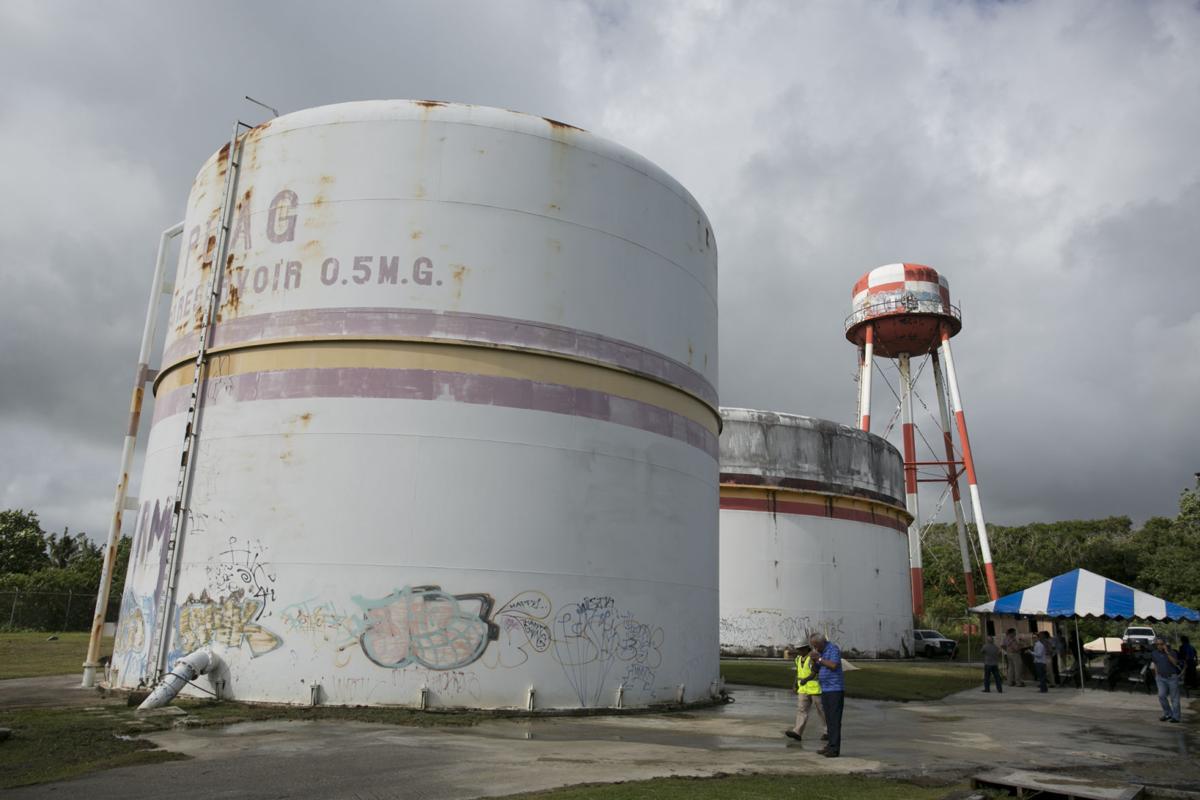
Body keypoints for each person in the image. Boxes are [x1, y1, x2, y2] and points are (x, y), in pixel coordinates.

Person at [809, 632, 844, 758]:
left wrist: (819, 658)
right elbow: (817, 668)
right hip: (826, 689)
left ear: (821, 643)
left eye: (815, 645)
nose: (814, 648)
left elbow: (834, 665)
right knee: (828, 719)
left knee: (834, 720)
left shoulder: (832, 649)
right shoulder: (821, 652)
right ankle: (830, 745)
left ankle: (834, 749)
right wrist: (814, 660)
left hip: (835, 689)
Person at [784, 643, 827, 744]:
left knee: (822, 711)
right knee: (801, 710)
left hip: (816, 689)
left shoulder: (813, 657)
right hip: (803, 689)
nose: (798, 651)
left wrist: (806, 680)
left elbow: (815, 672)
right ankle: (797, 732)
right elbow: (798, 673)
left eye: (800, 649)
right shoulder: (798, 659)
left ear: (805, 648)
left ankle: (828, 731)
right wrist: (795, 684)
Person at [1150, 636, 1182, 723]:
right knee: (1161, 696)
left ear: (1165, 644)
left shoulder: (1172, 652)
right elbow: (1155, 664)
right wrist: (1156, 676)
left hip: (1172, 677)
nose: (1159, 646)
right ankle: (1168, 713)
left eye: (1161, 644)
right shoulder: (1154, 653)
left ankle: (1176, 717)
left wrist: (1167, 652)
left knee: (1174, 698)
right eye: (1158, 644)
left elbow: (1175, 663)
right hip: (1160, 678)